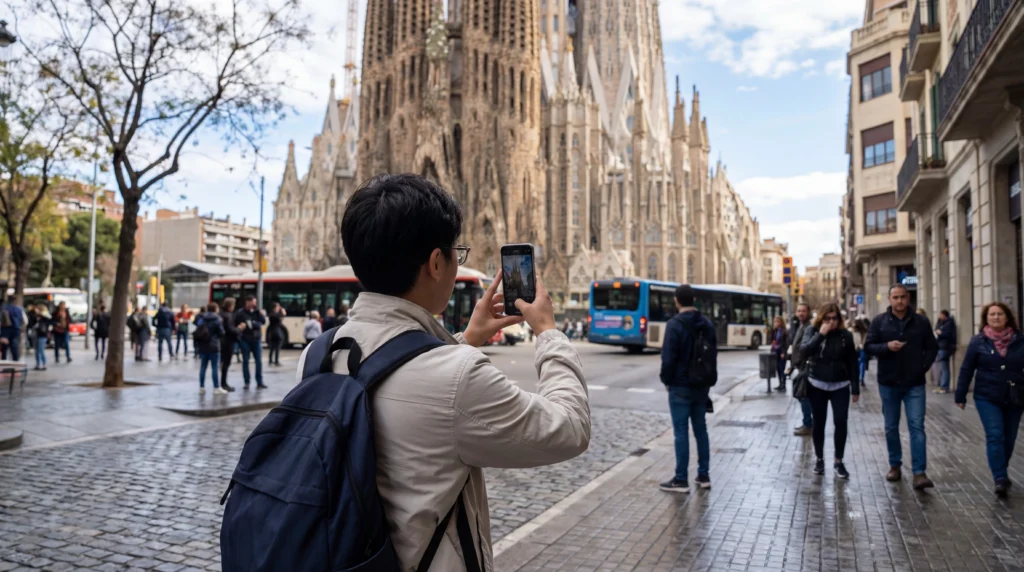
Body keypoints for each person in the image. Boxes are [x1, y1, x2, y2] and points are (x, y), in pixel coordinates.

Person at [291, 173, 590, 570]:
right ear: (436, 262)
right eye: (456, 253)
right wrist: (549, 334)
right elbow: (568, 428)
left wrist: (465, 339)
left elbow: (402, 385)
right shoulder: (457, 377)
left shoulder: (316, 354)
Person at [865, 284, 938, 489]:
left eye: (903, 297)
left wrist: (922, 367)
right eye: (895, 297)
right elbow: (868, 346)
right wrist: (886, 347)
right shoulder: (880, 322)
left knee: (917, 426)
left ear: (908, 298)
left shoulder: (921, 322)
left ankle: (919, 472)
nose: (899, 301)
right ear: (889, 299)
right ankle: (895, 465)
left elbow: (932, 347)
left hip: (914, 383)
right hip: (889, 383)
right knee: (891, 427)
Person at [955, 302, 1024, 497]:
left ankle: (1001, 467)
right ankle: (1000, 478)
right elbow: (967, 369)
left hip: (1015, 396)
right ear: (986, 318)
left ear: (1007, 317)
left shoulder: (1019, 340)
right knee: (995, 435)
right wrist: (960, 395)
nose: (995, 317)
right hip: (987, 396)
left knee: (1009, 438)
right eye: (991, 315)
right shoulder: (978, 341)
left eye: (999, 314)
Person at [658, 284, 717, 493]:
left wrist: (666, 380)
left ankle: (681, 479)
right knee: (701, 429)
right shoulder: (707, 324)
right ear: (694, 300)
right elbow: (713, 355)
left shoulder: (674, 325)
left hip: (680, 385)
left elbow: (668, 358)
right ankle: (704, 475)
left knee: (681, 431)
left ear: (677, 301)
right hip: (701, 385)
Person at [799, 303, 860, 479]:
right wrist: (821, 334)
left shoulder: (845, 336)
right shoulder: (812, 331)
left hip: (840, 385)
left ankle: (838, 460)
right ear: (821, 318)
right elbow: (804, 351)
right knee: (819, 422)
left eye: (834, 318)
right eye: (827, 318)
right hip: (816, 383)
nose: (831, 322)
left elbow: (852, 362)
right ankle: (819, 458)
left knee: (841, 421)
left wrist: (855, 387)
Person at [789, 304, 815, 436]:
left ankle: (808, 424)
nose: (801, 313)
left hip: (805, 366)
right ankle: (807, 423)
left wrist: (798, 363)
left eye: (803, 311)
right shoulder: (799, 326)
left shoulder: (809, 327)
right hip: (799, 366)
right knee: (803, 395)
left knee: (803, 395)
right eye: (799, 311)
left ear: (808, 312)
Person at [234, 295, 267, 389]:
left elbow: (262, 322)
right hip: (245, 339)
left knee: (258, 361)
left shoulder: (257, 311)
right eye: (253, 302)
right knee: (245, 360)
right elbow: (237, 324)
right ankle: (247, 382)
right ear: (247, 302)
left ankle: (259, 381)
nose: (254, 304)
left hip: (256, 339)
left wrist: (253, 324)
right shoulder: (240, 313)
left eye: (255, 302)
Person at [195, 303, 228, 395]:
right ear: (215, 309)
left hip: (203, 346)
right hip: (214, 346)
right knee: (215, 367)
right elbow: (222, 332)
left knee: (203, 367)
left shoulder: (202, 318)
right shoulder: (217, 319)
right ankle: (216, 387)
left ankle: (201, 387)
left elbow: (197, 327)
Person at [218, 298, 239, 392]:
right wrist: (239, 328)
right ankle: (223, 384)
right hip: (228, 342)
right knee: (226, 364)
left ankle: (222, 383)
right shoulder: (228, 315)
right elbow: (231, 330)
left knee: (223, 363)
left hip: (222, 342)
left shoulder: (221, 314)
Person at [934, 310, 957, 394]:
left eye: (940, 314)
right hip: (941, 346)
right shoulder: (942, 322)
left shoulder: (949, 324)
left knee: (944, 368)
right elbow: (936, 329)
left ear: (944, 315)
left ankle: (944, 386)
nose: (939, 316)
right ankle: (942, 386)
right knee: (942, 368)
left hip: (945, 347)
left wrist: (940, 332)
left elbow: (947, 334)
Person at [0, 294, 25, 361]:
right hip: (16, 329)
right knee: (14, 347)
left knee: (4, 347)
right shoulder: (19, 309)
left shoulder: (4, 308)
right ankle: (15, 362)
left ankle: (4, 362)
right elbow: (22, 320)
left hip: (5, 329)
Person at [27, 305, 50, 371]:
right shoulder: (35, 316)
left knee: (41, 350)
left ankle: (44, 364)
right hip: (35, 334)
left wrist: (41, 315)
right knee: (36, 351)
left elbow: (48, 320)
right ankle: (38, 364)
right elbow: (30, 322)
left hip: (42, 335)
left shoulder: (45, 315)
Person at [770, 316, 789, 392]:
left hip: (781, 352)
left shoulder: (784, 331)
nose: (776, 323)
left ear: (781, 322)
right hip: (775, 352)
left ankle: (783, 384)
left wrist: (784, 352)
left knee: (782, 369)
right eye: (775, 321)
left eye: (778, 321)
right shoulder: (774, 331)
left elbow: (786, 343)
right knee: (777, 368)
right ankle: (780, 383)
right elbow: (772, 340)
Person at [851, 314, 870, 387]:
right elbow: (865, 340)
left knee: (856, 364)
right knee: (862, 363)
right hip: (862, 349)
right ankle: (861, 378)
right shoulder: (865, 331)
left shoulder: (853, 331)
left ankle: (856, 377)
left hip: (855, 349)